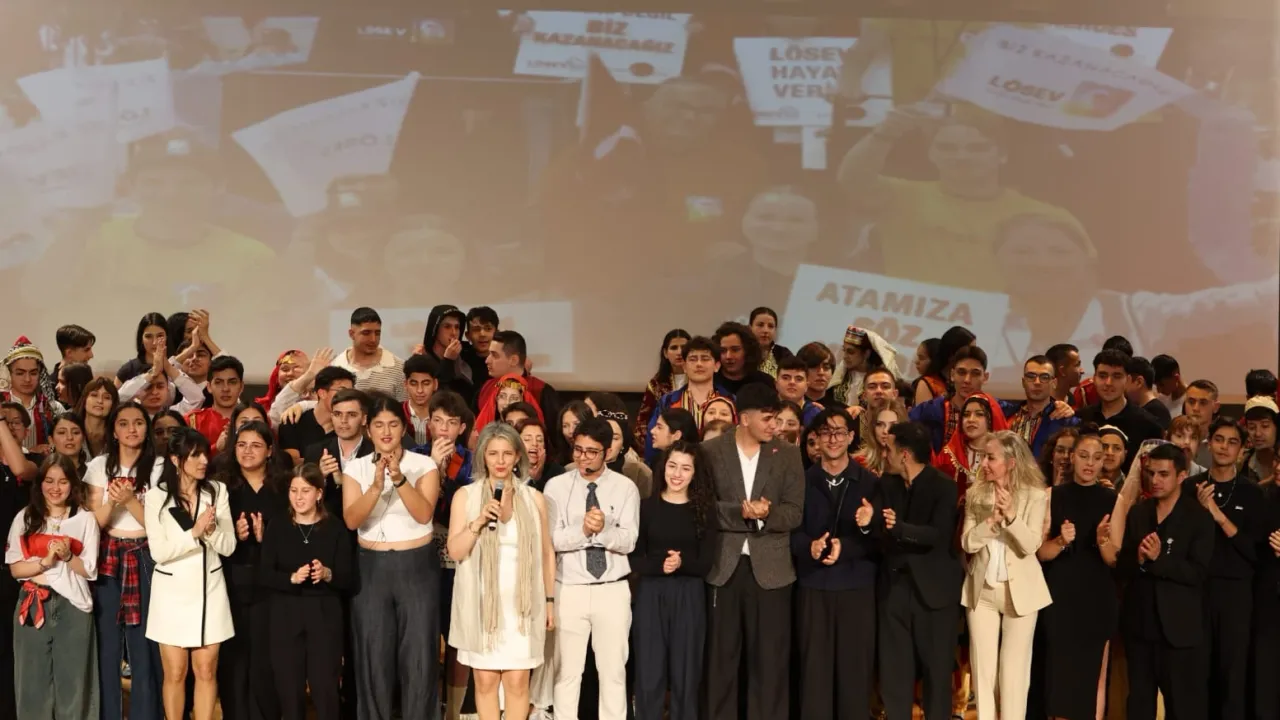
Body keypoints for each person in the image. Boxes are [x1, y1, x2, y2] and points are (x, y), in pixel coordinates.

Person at [702, 383, 804, 720]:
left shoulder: (787, 454)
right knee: (721, 660)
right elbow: (703, 508)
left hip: (773, 571)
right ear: (744, 419)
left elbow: (795, 512)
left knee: (770, 662)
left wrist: (766, 514)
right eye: (768, 418)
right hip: (724, 568)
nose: (775, 425)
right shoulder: (711, 451)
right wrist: (742, 513)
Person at [341, 393, 441, 720]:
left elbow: (423, 513)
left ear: (404, 427)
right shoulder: (355, 468)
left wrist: (398, 478)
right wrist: (375, 486)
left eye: (393, 424)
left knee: (419, 657)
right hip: (371, 569)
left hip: (417, 567)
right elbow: (352, 520)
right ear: (368, 429)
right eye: (379, 425)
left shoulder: (424, 465)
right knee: (373, 656)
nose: (386, 432)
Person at [446, 422, 556, 720]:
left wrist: (549, 601)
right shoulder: (466, 496)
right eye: (493, 453)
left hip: (522, 606)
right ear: (483, 456)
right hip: (481, 604)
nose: (500, 461)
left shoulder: (533, 499)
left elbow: (547, 552)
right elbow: (455, 551)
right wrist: (478, 522)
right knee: (485, 681)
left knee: (518, 682)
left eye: (507, 453)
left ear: (518, 456)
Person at [544, 417, 640, 720]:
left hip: (611, 589)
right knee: (566, 672)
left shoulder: (625, 488)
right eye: (578, 449)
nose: (583, 457)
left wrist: (602, 531)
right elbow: (553, 540)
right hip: (569, 587)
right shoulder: (557, 486)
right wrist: (584, 531)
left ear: (607, 452)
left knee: (613, 673)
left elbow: (629, 541)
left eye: (591, 452)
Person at [791, 407, 879, 720]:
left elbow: (879, 539)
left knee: (854, 674)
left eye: (839, 432)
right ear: (815, 437)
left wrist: (853, 542)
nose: (833, 439)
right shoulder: (801, 481)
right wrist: (809, 547)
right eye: (826, 432)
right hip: (813, 587)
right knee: (814, 674)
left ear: (851, 437)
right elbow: (789, 532)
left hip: (856, 588)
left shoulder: (870, 483)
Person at [144, 428, 236, 720]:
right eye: (195, 455)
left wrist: (211, 532)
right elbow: (159, 552)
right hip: (171, 594)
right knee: (175, 672)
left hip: (210, 589)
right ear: (175, 459)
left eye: (204, 454)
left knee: (206, 670)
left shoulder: (217, 491)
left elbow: (229, 546)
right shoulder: (157, 497)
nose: (204, 461)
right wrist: (194, 533)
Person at [959, 430, 1050, 720]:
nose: (984, 464)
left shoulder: (1035, 495)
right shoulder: (976, 493)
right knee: (983, 671)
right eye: (984, 457)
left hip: (1021, 594)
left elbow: (1031, 545)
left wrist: (1011, 517)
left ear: (1011, 462)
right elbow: (968, 543)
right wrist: (991, 522)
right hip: (982, 592)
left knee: (1013, 674)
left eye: (991, 458)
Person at [1118, 443, 1213, 720]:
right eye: (1151, 473)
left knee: (1183, 707)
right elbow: (1123, 568)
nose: (1155, 480)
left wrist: (1159, 560)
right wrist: (1138, 558)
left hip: (1179, 631)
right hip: (1140, 628)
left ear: (1181, 476)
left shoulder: (1198, 518)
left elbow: (1198, 573)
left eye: (1163, 474)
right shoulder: (1139, 513)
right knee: (1139, 705)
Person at [878, 421, 964, 720]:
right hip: (894, 590)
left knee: (937, 674)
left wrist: (899, 528)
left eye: (888, 450)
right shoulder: (886, 484)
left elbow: (938, 535)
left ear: (904, 454)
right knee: (894, 672)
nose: (883, 455)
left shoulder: (943, 486)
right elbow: (877, 528)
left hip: (934, 594)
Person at [85, 401, 165, 720]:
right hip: (107, 555)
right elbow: (92, 523)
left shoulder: (160, 467)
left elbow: (160, 526)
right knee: (107, 644)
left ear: (147, 428)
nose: (132, 429)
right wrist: (115, 504)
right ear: (114, 431)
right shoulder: (98, 466)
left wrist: (131, 501)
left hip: (145, 555)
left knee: (144, 643)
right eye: (124, 423)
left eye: (138, 423)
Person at [6, 454, 100, 719]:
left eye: (63, 481)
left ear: (73, 485)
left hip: (73, 606)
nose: (55, 488)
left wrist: (68, 557)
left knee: (74, 682)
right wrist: (44, 563)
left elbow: (90, 570)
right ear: (40, 484)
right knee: (31, 681)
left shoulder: (85, 519)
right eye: (49, 481)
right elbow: (15, 568)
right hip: (33, 602)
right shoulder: (25, 517)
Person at [259, 463, 354, 720]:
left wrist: (327, 573)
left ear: (319, 493)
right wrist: (291, 577)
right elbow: (264, 573)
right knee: (289, 691)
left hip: (324, 613)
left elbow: (349, 578)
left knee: (325, 689)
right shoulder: (278, 525)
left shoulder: (335, 528)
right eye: (294, 491)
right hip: (286, 613)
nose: (298, 497)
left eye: (305, 491)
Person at [1036, 429, 1119, 720]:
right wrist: (1061, 540)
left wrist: (1102, 540)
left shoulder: (1114, 500)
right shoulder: (1052, 496)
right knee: (1059, 674)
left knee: (1092, 675)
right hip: (1060, 595)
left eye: (1096, 458)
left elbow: (1115, 560)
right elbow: (1040, 553)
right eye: (1084, 456)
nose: (1090, 463)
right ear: (1072, 457)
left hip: (1097, 597)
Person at [630, 441, 715, 720]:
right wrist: (660, 565)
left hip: (690, 595)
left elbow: (706, 563)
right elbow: (634, 558)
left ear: (695, 473)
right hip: (650, 594)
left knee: (686, 674)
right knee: (648, 673)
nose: (677, 474)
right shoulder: (646, 507)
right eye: (672, 466)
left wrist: (681, 563)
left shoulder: (704, 510)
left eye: (686, 468)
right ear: (663, 467)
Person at [1183, 418, 1261, 720]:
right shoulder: (1190, 487)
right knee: (1196, 674)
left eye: (1232, 442)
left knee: (1232, 674)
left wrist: (1217, 515)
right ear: (1209, 443)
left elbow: (1254, 551)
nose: (1224, 447)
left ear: (1242, 449)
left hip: (1236, 595)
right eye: (1219, 440)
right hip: (1197, 592)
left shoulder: (1252, 492)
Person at [217, 420, 285, 720]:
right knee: (234, 658)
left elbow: (296, 535)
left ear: (269, 451)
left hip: (271, 585)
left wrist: (267, 537)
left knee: (266, 659)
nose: (247, 451)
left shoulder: (283, 487)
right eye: (241, 445)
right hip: (231, 582)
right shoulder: (220, 487)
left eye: (256, 445)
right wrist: (233, 534)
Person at [332, 307, 407, 401]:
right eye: (366, 333)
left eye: (377, 333)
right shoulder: (336, 366)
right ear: (351, 334)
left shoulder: (398, 367)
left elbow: (404, 406)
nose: (373, 339)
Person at [634, 330, 691, 451]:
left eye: (684, 347)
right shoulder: (656, 384)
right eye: (674, 348)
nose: (679, 352)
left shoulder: (698, 381)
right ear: (665, 353)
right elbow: (643, 422)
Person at [748, 308, 791, 377]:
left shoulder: (783, 354)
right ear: (750, 328)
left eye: (770, 326)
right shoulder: (742, 353)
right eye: (760, 325)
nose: (766, 330)